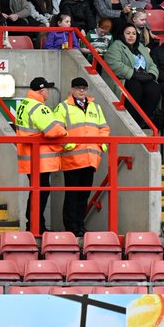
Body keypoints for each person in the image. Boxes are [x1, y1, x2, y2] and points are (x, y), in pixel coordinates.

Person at [52, 77, 107, 237]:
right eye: (78, 87)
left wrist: (101, 145)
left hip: (90, 158)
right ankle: (71, 227)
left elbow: (104, 128)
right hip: (72, 159)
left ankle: (80, 226)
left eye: (84, 87)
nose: (81, 90)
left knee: (84, 195)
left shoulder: (95, 107)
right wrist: (67, 144)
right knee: (72, 195)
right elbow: (57, 129)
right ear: (72, 89)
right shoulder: (63, 107)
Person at [13, 77, 67, 233]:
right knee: (41, 192)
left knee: (37, 191)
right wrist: (65, 131)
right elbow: (53, 130)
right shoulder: (38, 107)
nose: (49, 92)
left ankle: (35, 225)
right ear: (42, 91)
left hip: (28, 156)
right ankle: (36, 226)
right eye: (47, 90)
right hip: (40, 158)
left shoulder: (24, 104)